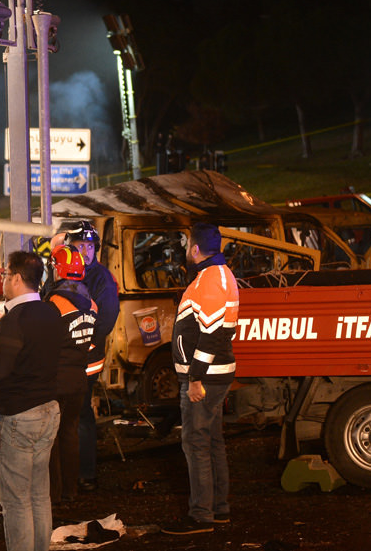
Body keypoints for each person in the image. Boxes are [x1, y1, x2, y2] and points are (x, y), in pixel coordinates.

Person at [0, 250, 65, 551]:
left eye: (6, 276)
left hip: (18, 416)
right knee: (39, 494)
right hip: (49, 410)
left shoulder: (13, 321)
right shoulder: (51, 312)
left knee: (15, 501)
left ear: (14, 278)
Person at [161, 222, 237, 535]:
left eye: (187, 244)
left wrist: (194, 378)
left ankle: (202, 515)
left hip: (205, 378)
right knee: (212, 441)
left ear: (194, 249)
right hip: (216, 374)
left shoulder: (211, 280)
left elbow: (211, 336)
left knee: (196, 443)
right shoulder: (220, 275)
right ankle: (218, 510)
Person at [65, 220, 119, 492]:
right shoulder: (67, 273)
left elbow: (107, 319)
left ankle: (86, 474)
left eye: (89, 246)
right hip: (68, 360)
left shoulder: (101, 278)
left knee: (81, 414)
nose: (85, 251)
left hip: (86, 360)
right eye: (79, 245)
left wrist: (86, 344)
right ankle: (73, 471)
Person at [43, 245, 96, 503]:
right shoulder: (92, 303)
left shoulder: (55, 303)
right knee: (70, 434)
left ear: (57, 270)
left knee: (51, 439)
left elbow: (44, 341)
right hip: (79, 380)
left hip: (56, 382)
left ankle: (53, 495)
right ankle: (71, 492)